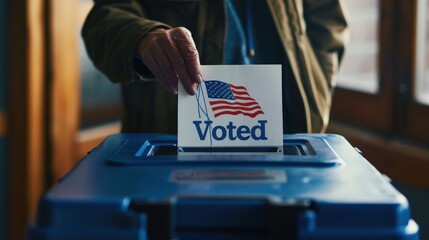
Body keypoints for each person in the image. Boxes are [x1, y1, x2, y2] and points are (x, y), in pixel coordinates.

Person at [82, 0, 349, 134]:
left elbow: (327, 20)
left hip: (290, 138)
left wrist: (318, 93)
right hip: (173, 141)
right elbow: (103, 19)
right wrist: (143, 36)